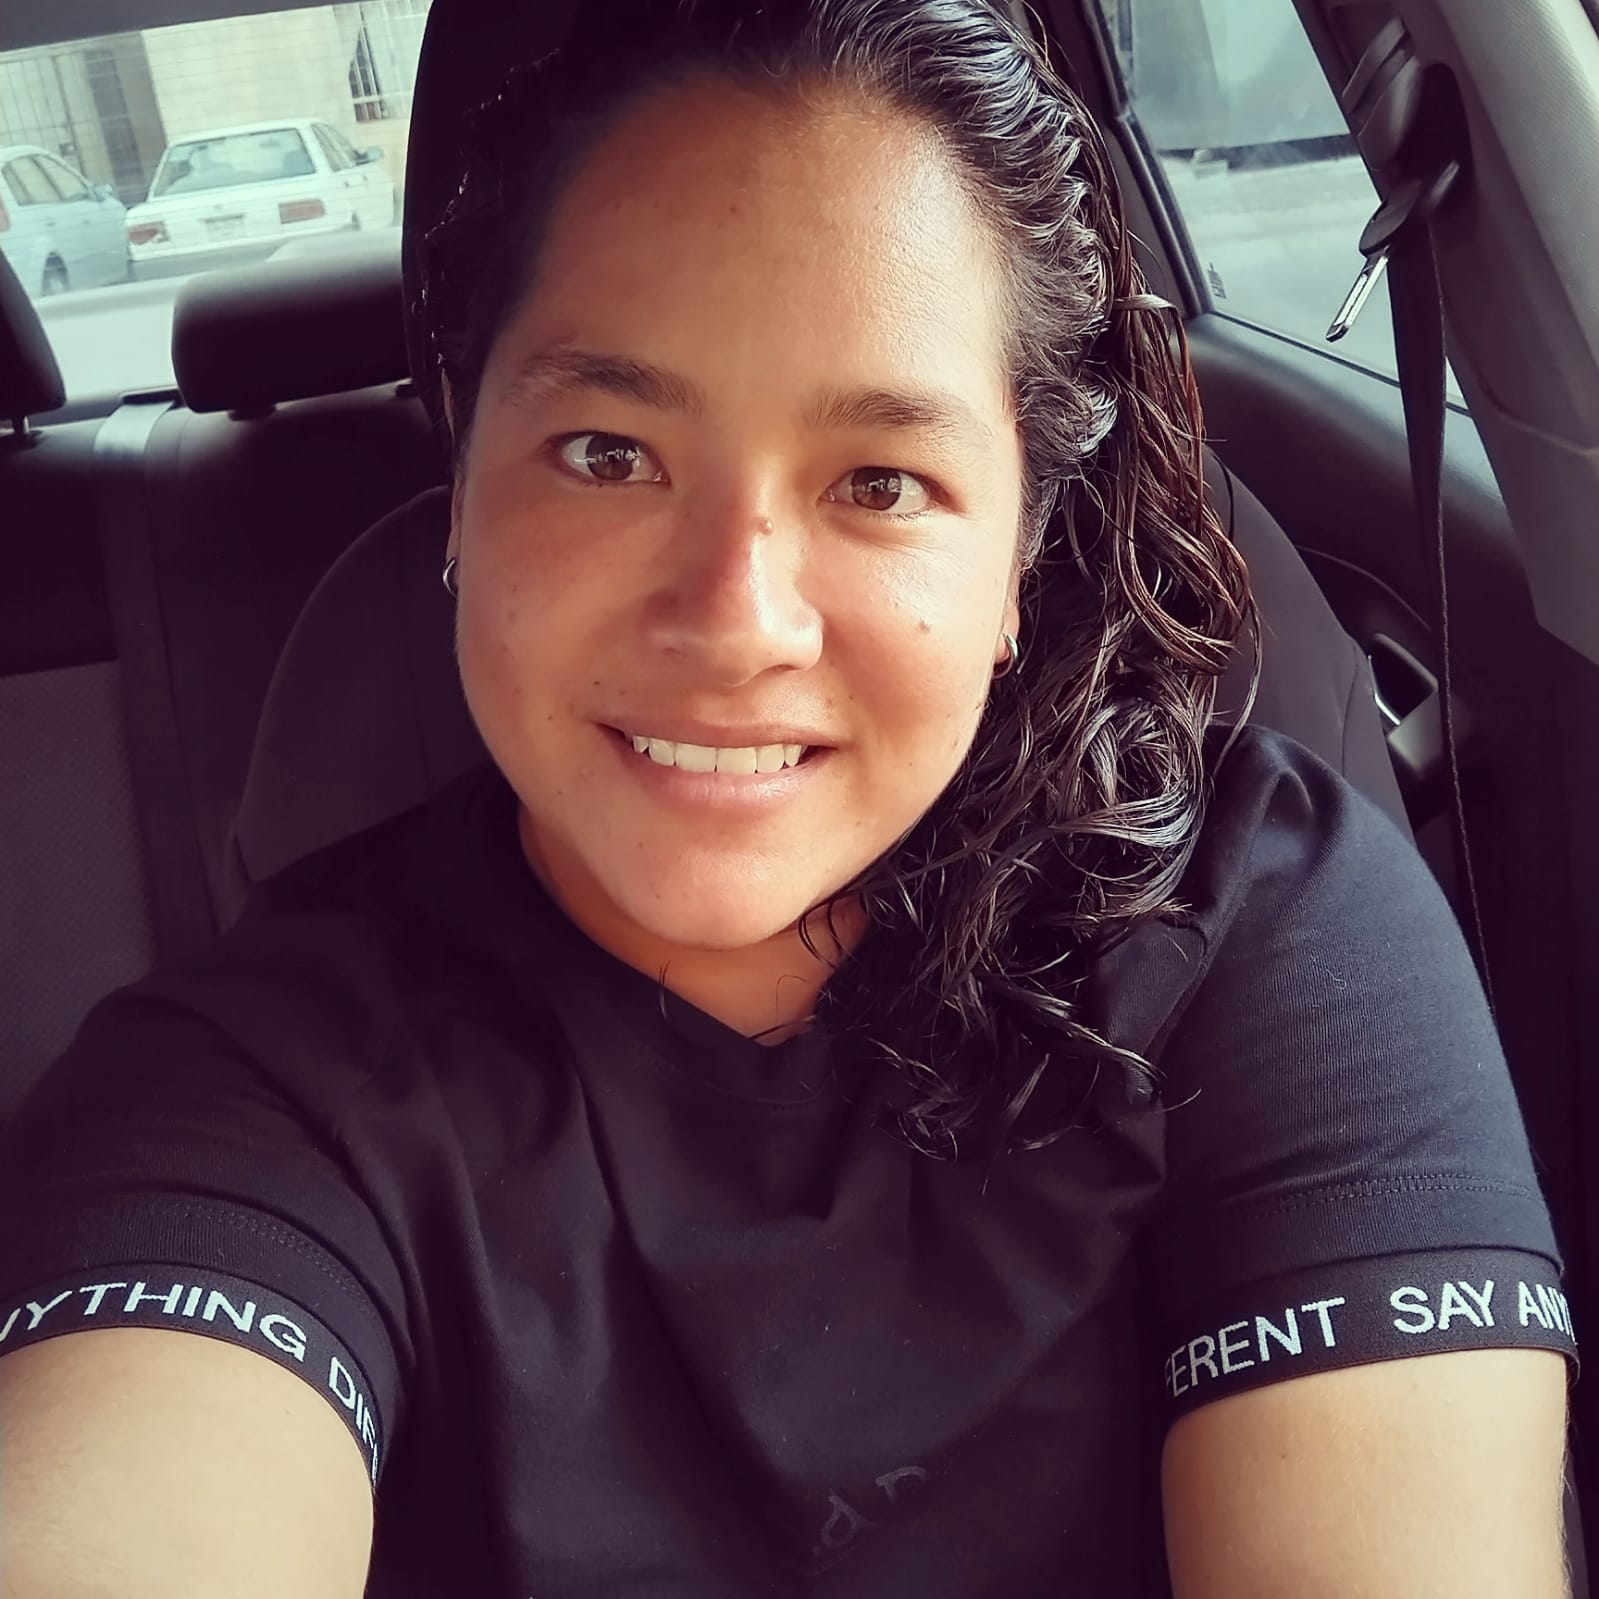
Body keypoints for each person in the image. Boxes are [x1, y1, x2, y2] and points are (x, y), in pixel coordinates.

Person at [0, 0, 1578, 1594]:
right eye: (608, 453)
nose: (737, 622)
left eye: (881, 484)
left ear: (1019, 556)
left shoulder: (1264, 936)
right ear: (464, 472)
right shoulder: (250, 1082)